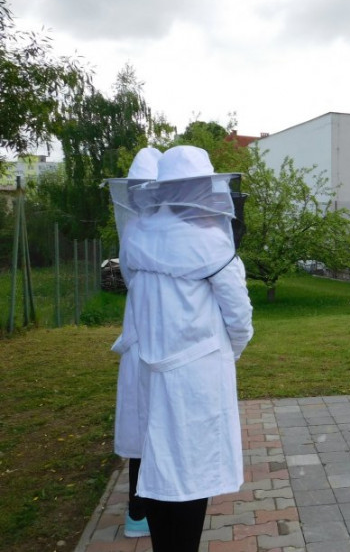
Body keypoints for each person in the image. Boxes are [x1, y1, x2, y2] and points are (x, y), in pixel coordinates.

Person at [112, 145, 254, 551]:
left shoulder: (137, 235)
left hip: (148, 370)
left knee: (155, 463)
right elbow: (239, 319)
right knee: (192, 470)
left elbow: (137, 297)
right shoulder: (213, 243)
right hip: (197, 377)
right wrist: (228, 354)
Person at [111, 147, 161, 538]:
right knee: (154, 425)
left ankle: (137, 512)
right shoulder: (164, 230)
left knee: (144, 425)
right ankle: (142, 510)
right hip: (155, 340)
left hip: (143, 336)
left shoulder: (132, 231)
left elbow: (130, 278)